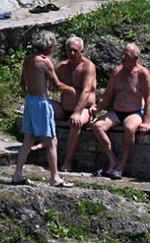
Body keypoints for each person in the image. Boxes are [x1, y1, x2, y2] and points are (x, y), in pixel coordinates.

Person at [12, 30, 72, 188]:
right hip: (41, 102)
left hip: (30, 101)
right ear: (49, 46)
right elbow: (57, 84)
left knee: (28, 139)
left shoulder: (27, 59)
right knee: (52, 141)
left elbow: (22, 83)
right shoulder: (45, 62)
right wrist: (71, 89)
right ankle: (55, 177)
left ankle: (17, 173)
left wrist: (30, 95)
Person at [91, 42, 150, 179]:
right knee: (97, 126)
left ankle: (122, 165)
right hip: (117, 111)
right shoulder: (117, 71)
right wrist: (97, 108)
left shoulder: (143, 73)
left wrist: (146, 121)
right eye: (122, 54)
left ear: (135, 58)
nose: (123, 57)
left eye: (127, 55)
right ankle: (113, 160)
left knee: (129, 128)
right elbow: (108, 94)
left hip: (135, 111)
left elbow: (149, 98)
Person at [52, 35, 97, 173]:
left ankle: (67, 161)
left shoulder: (88, 67)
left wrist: (77, 112)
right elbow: (49, 84)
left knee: (75, 123)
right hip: (64, 108)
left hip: (84, 109)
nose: (72, 53)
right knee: (42, 109)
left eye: (75, 50)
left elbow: (86, 91)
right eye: (69, 50)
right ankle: (39, 147)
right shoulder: (61, 67)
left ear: (82, 51)